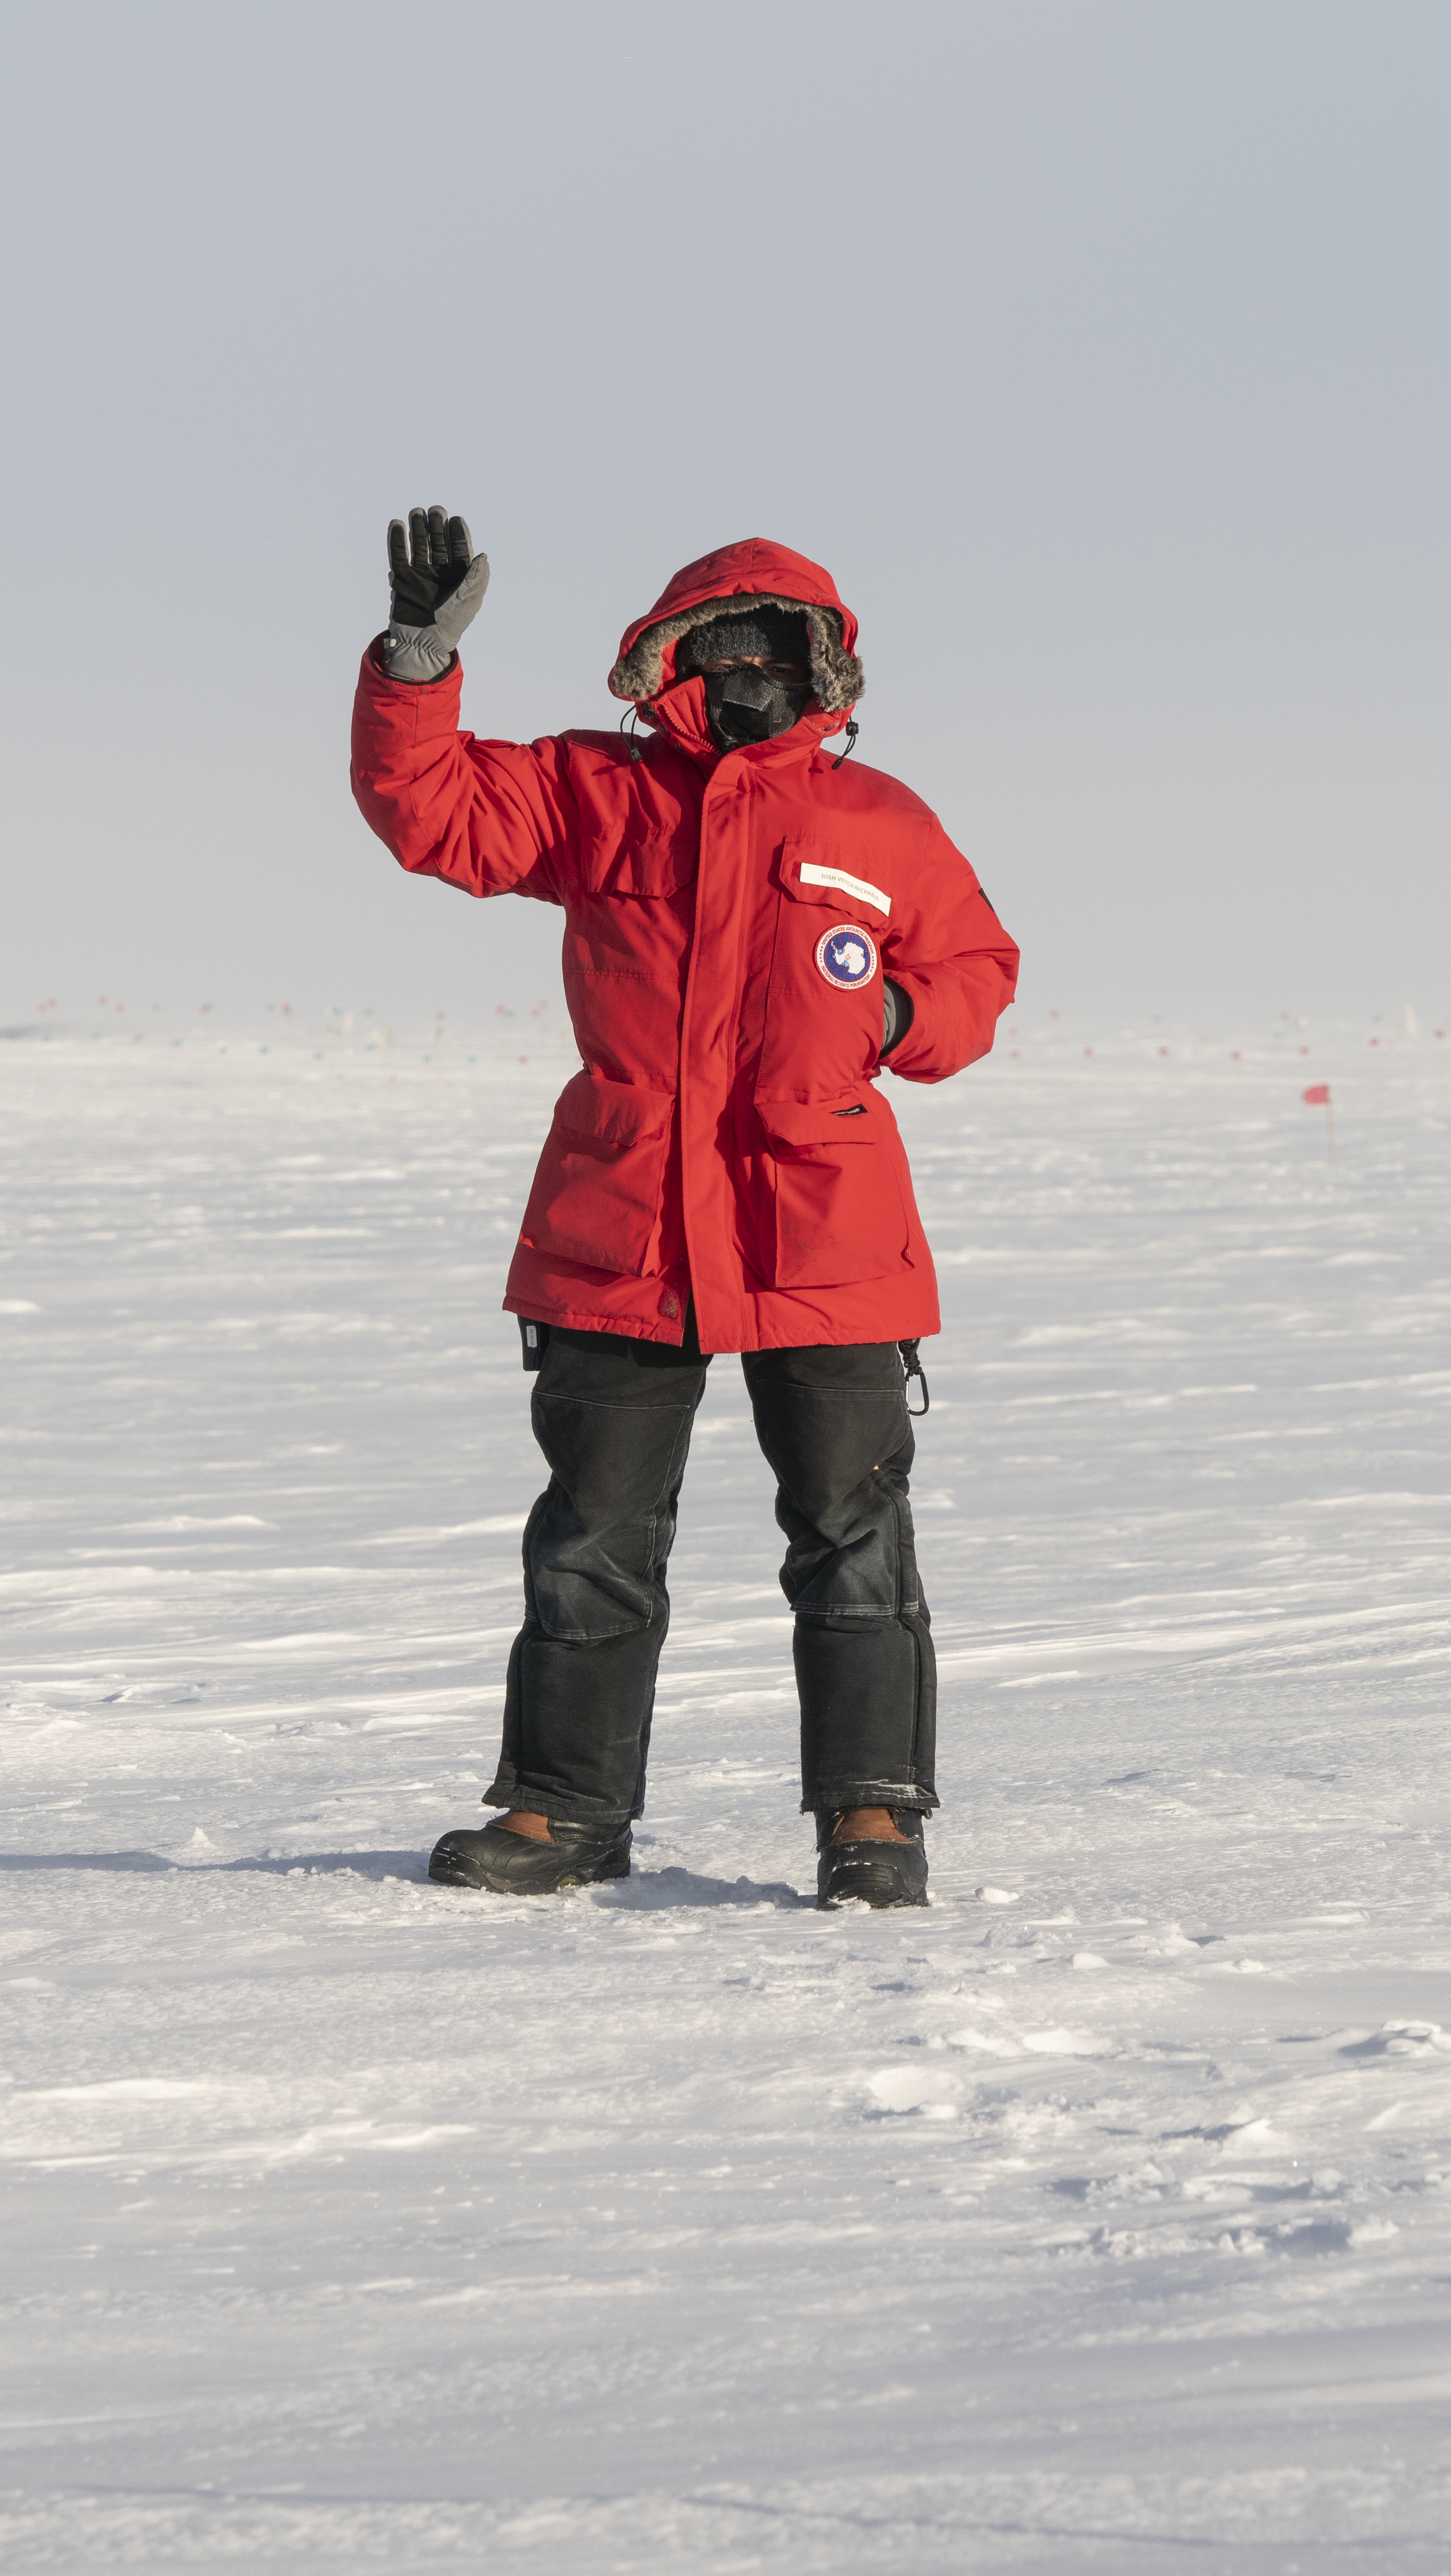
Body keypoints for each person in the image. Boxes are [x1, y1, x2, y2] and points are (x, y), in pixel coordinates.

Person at [350, 509, 1021, 1909]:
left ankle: (872, 1822)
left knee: (850, 1538)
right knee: (591, 1539)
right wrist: (417, 667)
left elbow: (976, 971)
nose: (743, 676)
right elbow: (437, 818)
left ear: (823, 668)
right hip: (626, 1228)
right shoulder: (596, 791)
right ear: (662, 664)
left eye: (773, 651)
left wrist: (896, 1008)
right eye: (713, 650)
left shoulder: (877, 819)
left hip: (821, 1231)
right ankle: (560, 1813)